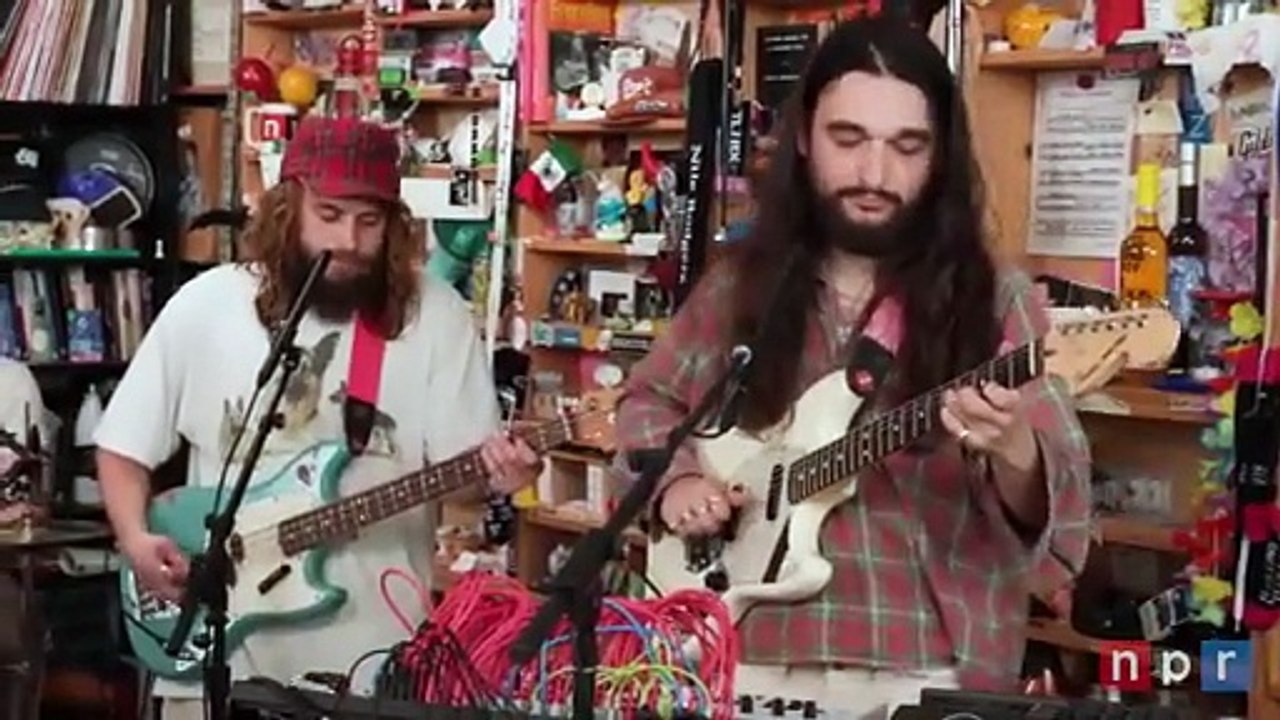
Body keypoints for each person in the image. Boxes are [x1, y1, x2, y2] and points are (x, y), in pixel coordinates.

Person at [615, 18, 1091, 720]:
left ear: (940, 157)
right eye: (849, 140)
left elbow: (1064, 504)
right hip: (745, 654)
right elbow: (646, 402)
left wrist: (1016, 450)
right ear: (805, 138)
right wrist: (679, 476)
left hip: (927, 670)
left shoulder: (997, 301)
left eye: (908, 147)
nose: (875, 175)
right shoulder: (739, 285)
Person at [94, 117, 543, 720]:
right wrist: (135, 538)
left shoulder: (436, 317)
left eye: (369, 221)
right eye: (328, 215)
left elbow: (461, 482)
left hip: (369, 664)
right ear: (288, 207)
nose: (349, 242)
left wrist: (498, 473)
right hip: (217, 659)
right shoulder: (207, 306)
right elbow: (122, 445)